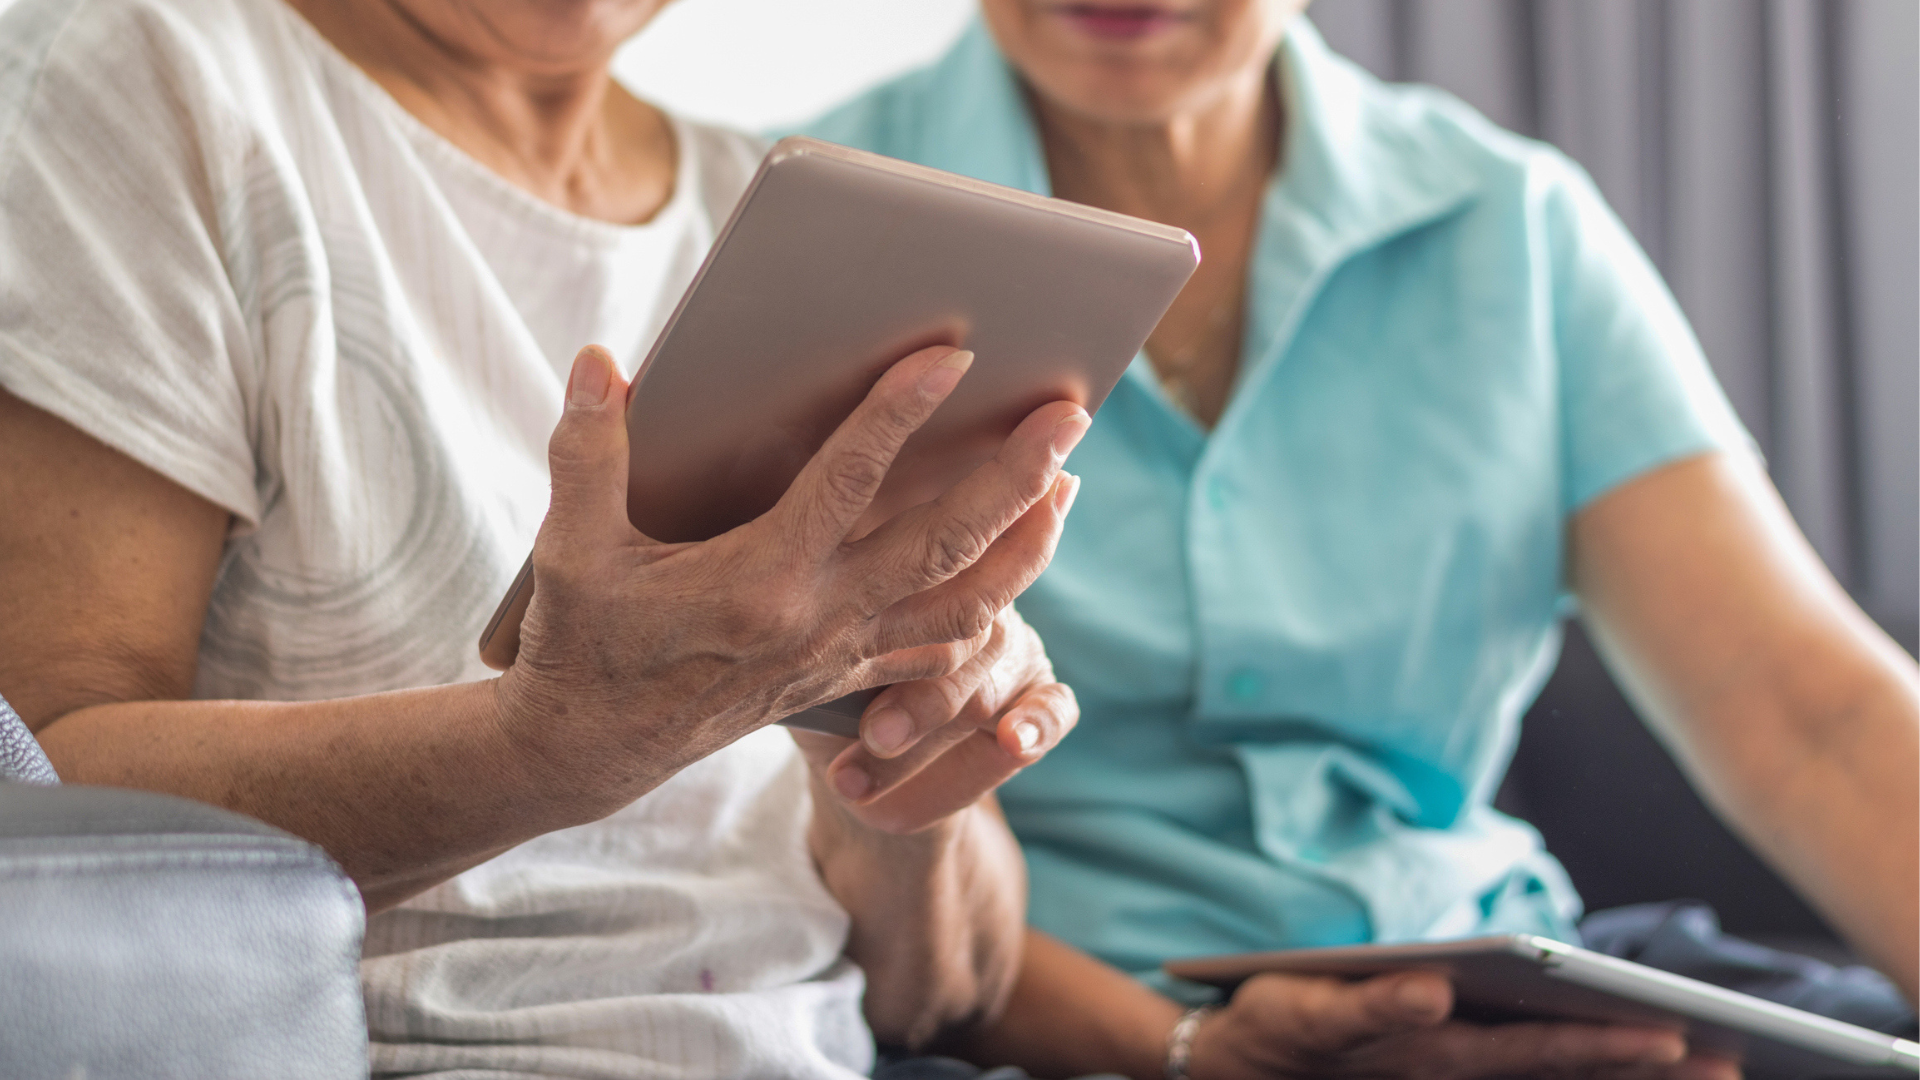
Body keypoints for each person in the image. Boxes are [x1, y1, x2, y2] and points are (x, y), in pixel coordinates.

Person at [802, 1, 1920, 1076]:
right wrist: (1182, 1053)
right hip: (1063, 1027)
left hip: (1500, 973)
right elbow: (813, 834)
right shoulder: (806, 226)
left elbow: (1810, 718)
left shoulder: (1514, 223)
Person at [0, 0, 1101, 1074]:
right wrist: (555, 745)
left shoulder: (769, 208)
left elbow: (941, 990)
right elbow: (45, 806)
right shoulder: (145, 75)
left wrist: (887, 745)